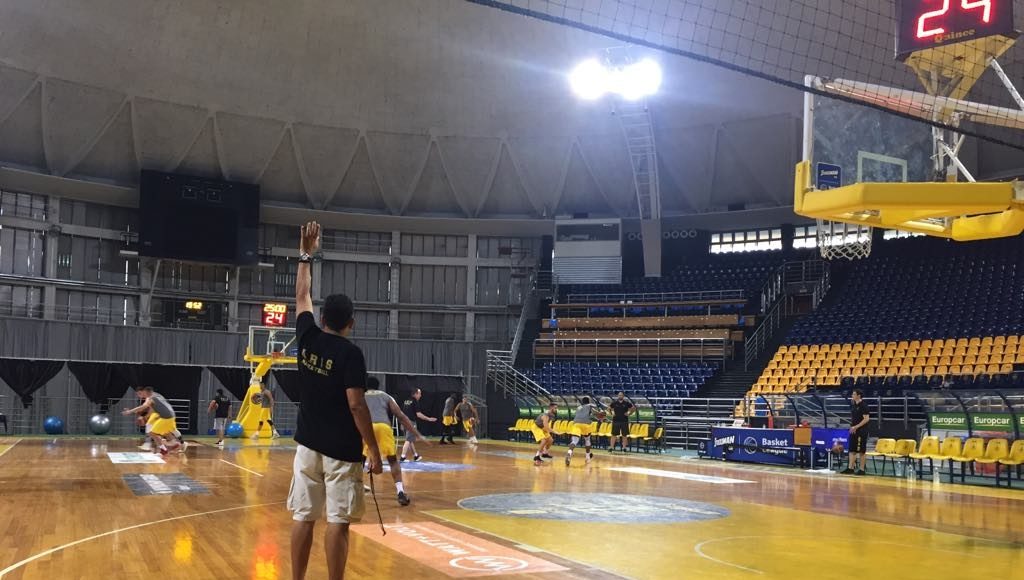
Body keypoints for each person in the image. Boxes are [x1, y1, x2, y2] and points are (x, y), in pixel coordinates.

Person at [288, 221, 382, 580]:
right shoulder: (350, 354)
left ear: (322, 317)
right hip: (341, 451)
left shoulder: (307, 335)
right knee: (338, 523)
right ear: (351, 323)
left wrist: (305, 254)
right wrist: (373, 449)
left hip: (307, 446)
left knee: (303, 518)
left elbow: (302, 295)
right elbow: (356, 405)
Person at [364, 377, 426, 506]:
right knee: (393, 461)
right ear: (378, 386)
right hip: (383, 427)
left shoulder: (360, 396)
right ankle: (400, 492)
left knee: (359, 460)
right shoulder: (386, 396)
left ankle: (354, 488)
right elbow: (401, 416)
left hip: (366, 426)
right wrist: (416, 433)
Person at [122, 387, 181, 455]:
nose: (139, 396)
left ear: (144, 391)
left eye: (140, 393)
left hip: (166, 417)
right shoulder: (156, 395)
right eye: (138, 394)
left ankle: (169, 446)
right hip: (168, 416)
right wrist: (143, 416)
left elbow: (143, 407)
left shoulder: (150, 398)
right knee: (160, 432)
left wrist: (130, 411)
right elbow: (150, 409)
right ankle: (169, 445)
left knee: (153, 432)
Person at [400, 388, 437, 462]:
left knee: (410, 440)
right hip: (410, 423)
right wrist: (429, 419)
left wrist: (401, 423)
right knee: (408, 440)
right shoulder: (415, 401)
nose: (420, 395)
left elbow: (402, 413)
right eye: (419, 394)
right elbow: (419, 414)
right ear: (415, 394)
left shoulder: (406, 401)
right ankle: (402, 457)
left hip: (404, 422)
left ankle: (415, 456)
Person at [842, 389, 871, 476]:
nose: (852, 395)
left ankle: (862, 469)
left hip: (861, 431)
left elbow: (866, 419)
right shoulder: (853, 405)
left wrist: (856, 427)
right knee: (852, 449)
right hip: (853, 430)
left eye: (854, 394)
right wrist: (852, 427)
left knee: (862, 450)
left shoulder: (864, 405)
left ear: (859, 396)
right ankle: (850, 468)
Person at [566, 397, 599, 466]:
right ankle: (587, 457)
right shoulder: (590, 406)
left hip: (576, 424)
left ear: (582, 402)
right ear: (588, 401)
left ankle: (569, 452)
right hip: (585, 424)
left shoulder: (578, 407)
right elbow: (595, 413)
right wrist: (600, 415)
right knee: (587, 440)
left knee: (574, 441)